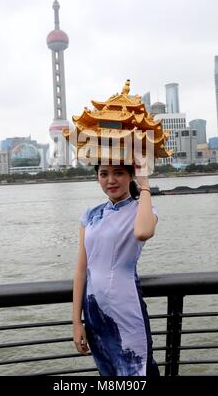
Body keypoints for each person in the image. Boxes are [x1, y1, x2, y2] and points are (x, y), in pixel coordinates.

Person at [72, 159, 160, 377]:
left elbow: (143, 233)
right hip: (94, 313)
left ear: (131, 175)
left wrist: (145, 185)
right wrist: (76, 321)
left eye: (119, 173)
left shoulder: (142, 210)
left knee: (136, 372)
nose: (110, 180)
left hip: (126, 310)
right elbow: (82, 269)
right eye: (103, 174)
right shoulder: (90, 215)